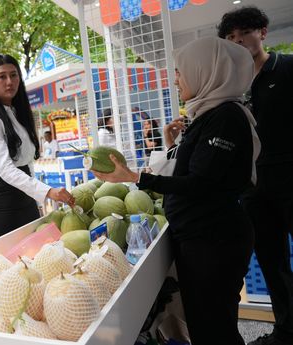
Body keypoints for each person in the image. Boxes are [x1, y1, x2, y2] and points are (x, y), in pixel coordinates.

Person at [91, 37, 260, 345]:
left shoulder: (226, 117)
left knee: (215, 329)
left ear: (204, 71)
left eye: (181, 71)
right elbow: (198, 170)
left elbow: (200, 183)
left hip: (214, 241)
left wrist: (135, 177)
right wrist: (171, 148)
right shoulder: (208, 114)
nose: (176, 78)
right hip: (202, 238)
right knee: (204, 324)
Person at [218, 7, 293, 345]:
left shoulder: (287, 68)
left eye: (244, 33)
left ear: (262, 32)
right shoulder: (231, 87)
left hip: (290, 180)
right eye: (231, 38)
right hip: (253, 190)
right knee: (272, 262)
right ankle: (286, 331)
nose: (238, 41)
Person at [0, 54, 74, 240]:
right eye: (2, 76)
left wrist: (35, 197)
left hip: (24, 196)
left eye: (14, 75)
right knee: (15, 262)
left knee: (35, 254)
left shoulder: (17, 113)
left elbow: (26, 163)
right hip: (1, 201)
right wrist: (47, 191)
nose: (9, 82)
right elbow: (5, 169)